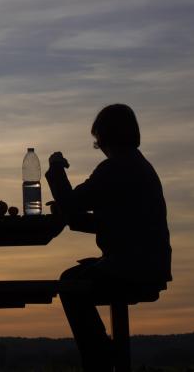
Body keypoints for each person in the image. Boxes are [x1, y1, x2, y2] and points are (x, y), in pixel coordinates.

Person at [46, 103, 171, 371]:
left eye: (98, 140)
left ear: (105, 137)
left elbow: (73, 203)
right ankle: (103, 354)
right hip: (149, 265)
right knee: (73, 279)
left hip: (131, 267)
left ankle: (99, 360)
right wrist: (71, 212)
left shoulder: (115, 168)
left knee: (70, 286)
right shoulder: (138, 166)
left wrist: (56, 168)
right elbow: (112, 221)